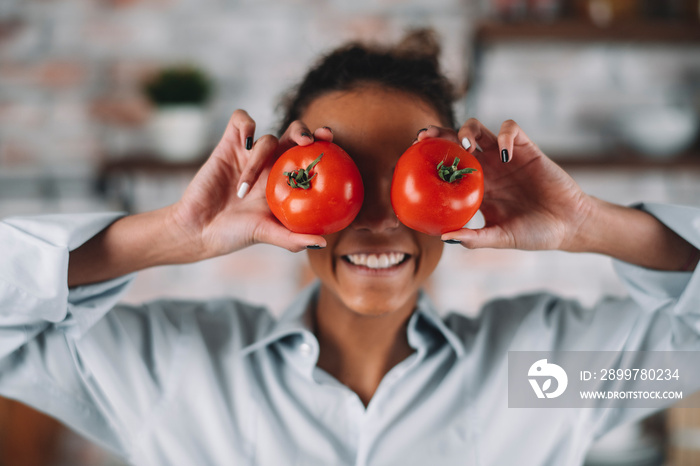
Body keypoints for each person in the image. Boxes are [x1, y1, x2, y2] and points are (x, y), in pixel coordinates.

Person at [1, 29, 699, 466]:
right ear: (275, 191)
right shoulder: (166, 371)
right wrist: (164, 235)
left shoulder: (544, 380)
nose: (373, 218)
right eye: (340, 182)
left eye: (407, 181)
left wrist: (589, 223)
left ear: (468, 190)